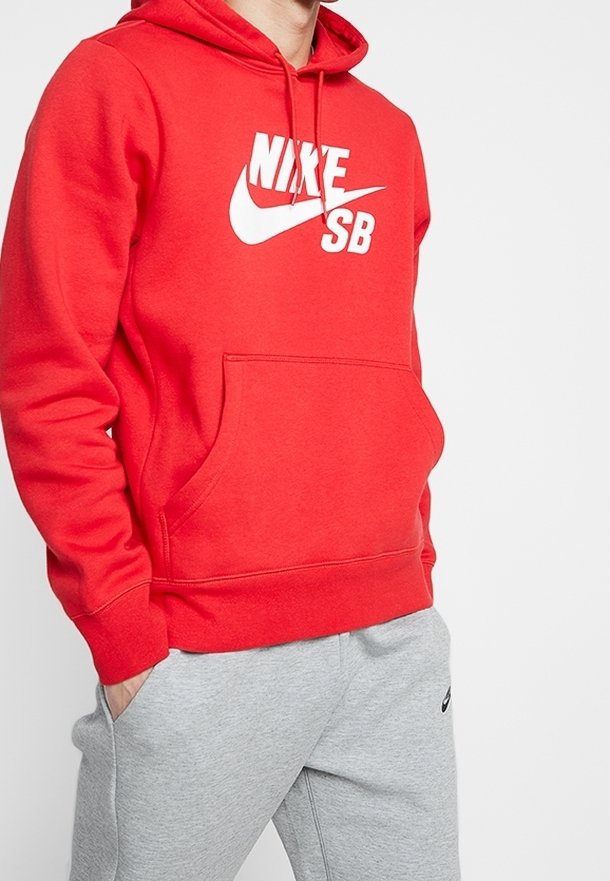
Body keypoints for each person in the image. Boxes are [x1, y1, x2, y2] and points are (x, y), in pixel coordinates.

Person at [0, 0, 461, 878]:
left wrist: (412, 563)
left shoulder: (388, 132)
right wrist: (125, 632)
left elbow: (388, 366)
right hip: (199, 651)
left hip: (390, 640)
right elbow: (47, 378)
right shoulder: (116, 81)